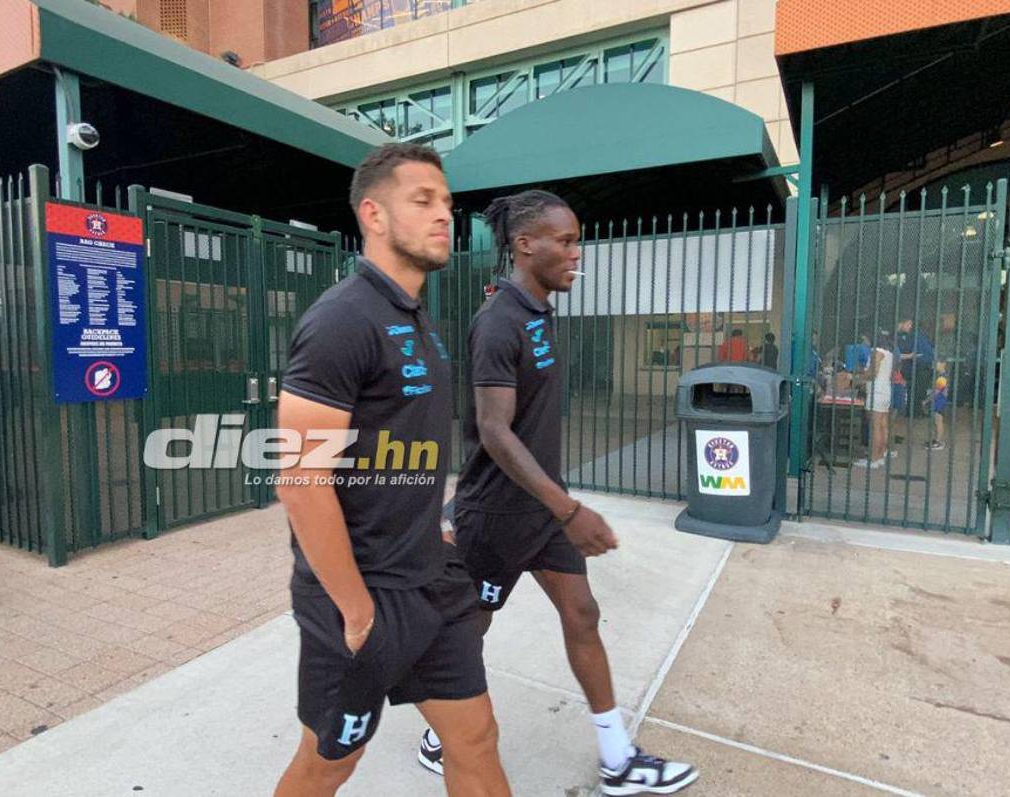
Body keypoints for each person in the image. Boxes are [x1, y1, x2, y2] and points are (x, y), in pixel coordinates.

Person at [417, 190, 698, 796]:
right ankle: (442, 732)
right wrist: (569, 509)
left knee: (582, 613)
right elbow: (494, 431)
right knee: (469, 629)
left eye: (577, 241)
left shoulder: (538, 313)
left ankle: (618, 760)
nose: (577, 253)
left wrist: (557, 507)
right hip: (495, 513)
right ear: (525, 245)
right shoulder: (498, 321)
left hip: (541, 509)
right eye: (566, 241)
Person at [272, 144, 510, 797]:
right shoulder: (340, 319)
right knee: (330, 763)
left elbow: (398, 444)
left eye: (448, 204)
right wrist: (355, 611)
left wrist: (428, 523)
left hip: (432, 580)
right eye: (423, 201)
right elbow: (300, 481)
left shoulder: (415, 317)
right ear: (373, 215)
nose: (444, 216)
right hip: (363, 596)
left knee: (475, 736)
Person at [854, 331, 894, 469]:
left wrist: (859, 378)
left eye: (865, 339)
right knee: (883, 425)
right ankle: (881, 455)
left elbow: (873, 372)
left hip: (876, 392)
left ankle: (873, 459)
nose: (864, 342)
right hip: (885, 391)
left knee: (875, 426)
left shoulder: (876, 352)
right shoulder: (888, 353)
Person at [896, 318, 935, 416]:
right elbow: (908, 349)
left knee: (918, 390)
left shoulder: (920, 336)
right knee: (917, 390)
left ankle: (914, 411)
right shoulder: (916, 336)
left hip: (920, 365)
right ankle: (915, 412)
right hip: (918, 366)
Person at [924, 375, 949, 451]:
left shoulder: (941, 379)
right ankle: (937, 440)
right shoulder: (942, 379)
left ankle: (938, 441)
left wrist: (926, 401)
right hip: (939, 405)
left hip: (939, 405)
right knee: (937, 422)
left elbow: (935, 393)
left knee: (938, 423)